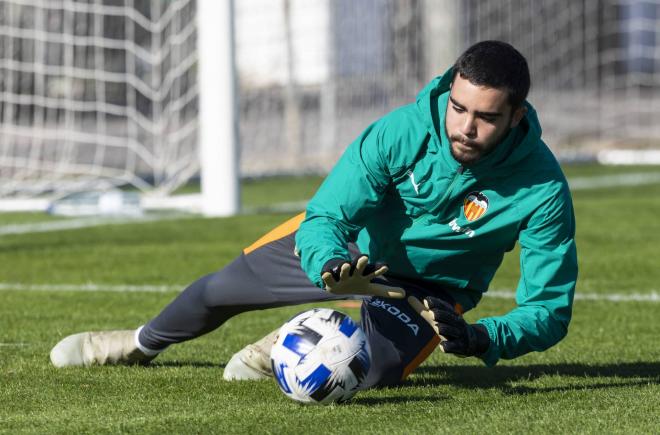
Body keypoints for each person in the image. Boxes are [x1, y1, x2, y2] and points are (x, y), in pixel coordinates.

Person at [50, 40, 578, 388]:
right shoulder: (401, 131)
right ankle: (134, 344)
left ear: (516, 116)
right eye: (457, 108)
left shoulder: (543, 188)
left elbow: (548, 309)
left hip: (432, 289)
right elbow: (327, 213)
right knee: (219, 291)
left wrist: (485, 337)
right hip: (349, 249)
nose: (464, 126)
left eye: (485, 117)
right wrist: (328, 262)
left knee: (375, 372)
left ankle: (287, 340)